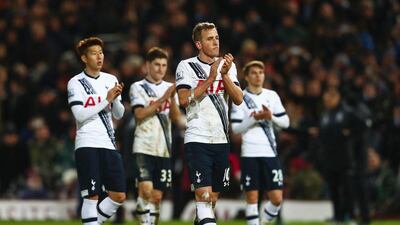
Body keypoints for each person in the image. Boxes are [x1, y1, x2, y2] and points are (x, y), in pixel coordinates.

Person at [175, 22, 243, 225]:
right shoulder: (186, 66)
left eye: (217, 38)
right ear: (198, 44)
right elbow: (184, 100)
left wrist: (223, 75)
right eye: (209, 39)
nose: (215, 42)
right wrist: (211, 78)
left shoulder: (228, 67)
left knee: (211, 200)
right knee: (203, 197)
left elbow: (238, 99)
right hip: (198, 138)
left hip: (221, 140)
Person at [67, 37, 126, 225]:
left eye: (101, 53)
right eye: (94, 53)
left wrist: (115, 100)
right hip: (87, 142)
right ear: (84, 58)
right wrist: (106, 99)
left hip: (108, 143)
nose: (99, 57)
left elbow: (119, 114)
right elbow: (80, 114)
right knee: (91, 196)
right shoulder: (76, 82)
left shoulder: (111, 79)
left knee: (119, 196)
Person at [230, 61, 289, 225]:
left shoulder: (272, 96)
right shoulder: (240, 97)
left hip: (270, 152)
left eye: (261, 73)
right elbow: (235, 128)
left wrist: (271, 117)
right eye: (254, 73)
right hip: (249, 153)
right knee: (252, 197)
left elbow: (286, 122)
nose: (258, 76)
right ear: (247, 77)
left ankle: (263, 222)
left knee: (277, 198)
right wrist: (253, 119)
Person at [129, 47, 181, 225]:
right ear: (147, 66)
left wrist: (172, 99)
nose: (160, 69)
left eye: (164, 65)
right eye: (157, 64)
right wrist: (163, 99)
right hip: (143, 145)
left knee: (157, 197)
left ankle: (148, 221)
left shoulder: (169, 88)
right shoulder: (138, 87)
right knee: (146, 190)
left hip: (164, 147)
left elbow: (176, 118)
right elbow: (139, 114)